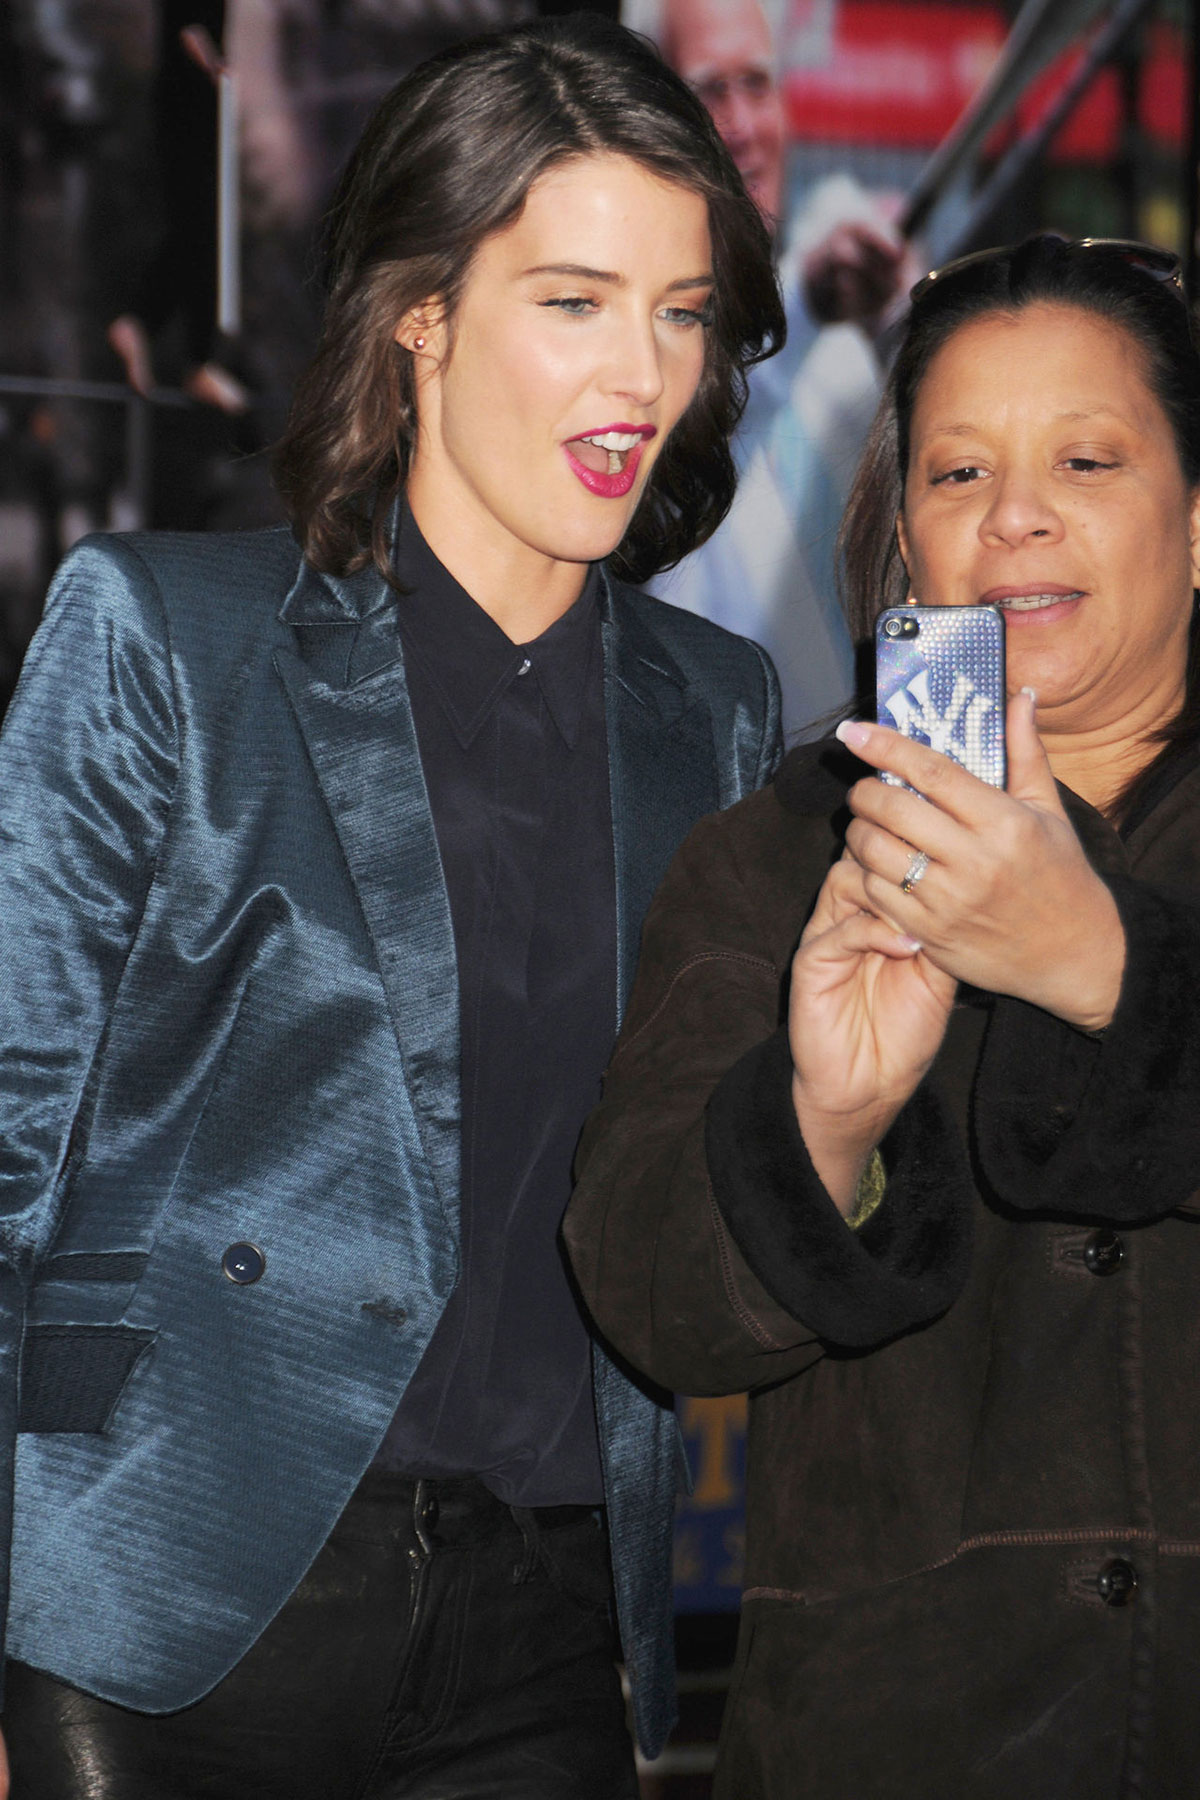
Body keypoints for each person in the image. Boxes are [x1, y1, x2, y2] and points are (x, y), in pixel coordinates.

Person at [0, 15, 785, 1796]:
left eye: (680, 310)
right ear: (422, 312)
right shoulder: (164, 639)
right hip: (156, 1594)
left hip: (541, 1623)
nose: (641, 375)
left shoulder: (717, 711)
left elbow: (694, 1182)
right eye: (574, 300)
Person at [566, 232, 1200, 1798]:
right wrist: (824, 1117)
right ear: (904, 535)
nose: (1017, 516)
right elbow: (642, 1282)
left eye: (1090, 457)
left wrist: (1098, 966)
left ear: (1198, 525)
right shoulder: (786, 852)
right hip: (896, 1729)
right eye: (958, 472)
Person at [628, 0, 910, 740]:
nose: (744, 127)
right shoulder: (626, 352)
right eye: (710, 93)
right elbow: (725, 380)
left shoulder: (849, 321)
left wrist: (897, 317)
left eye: (758, 85)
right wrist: (812, 304)